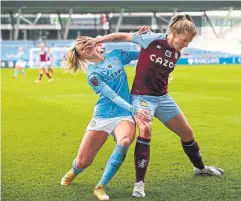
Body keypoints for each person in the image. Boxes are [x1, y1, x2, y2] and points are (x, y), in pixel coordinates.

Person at [77, 14, 224, 198]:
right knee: (145, 129)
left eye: (188, 42)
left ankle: (200, 168)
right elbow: (121, 36)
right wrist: (99, 39)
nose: (185, 44)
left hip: (162, 98)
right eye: (184, 40)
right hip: (141, 97)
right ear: (175, 33)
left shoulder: (176, 50)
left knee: (187, 134)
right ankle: (139, 184)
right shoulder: (152, 38)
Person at [60, 32, 151, 200]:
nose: (86, 46)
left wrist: (145, 35)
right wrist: (134, 109)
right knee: (83, 162)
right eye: (82, 47)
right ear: (81, 56)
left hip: (124, 114)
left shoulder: (116, 54)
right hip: (104, 115)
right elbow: (113, 97)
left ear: (94, 42)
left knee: (124, 141)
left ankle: (100, 187)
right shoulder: (92, 74)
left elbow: (145, 53)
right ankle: (74, 171)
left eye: (87, 42)